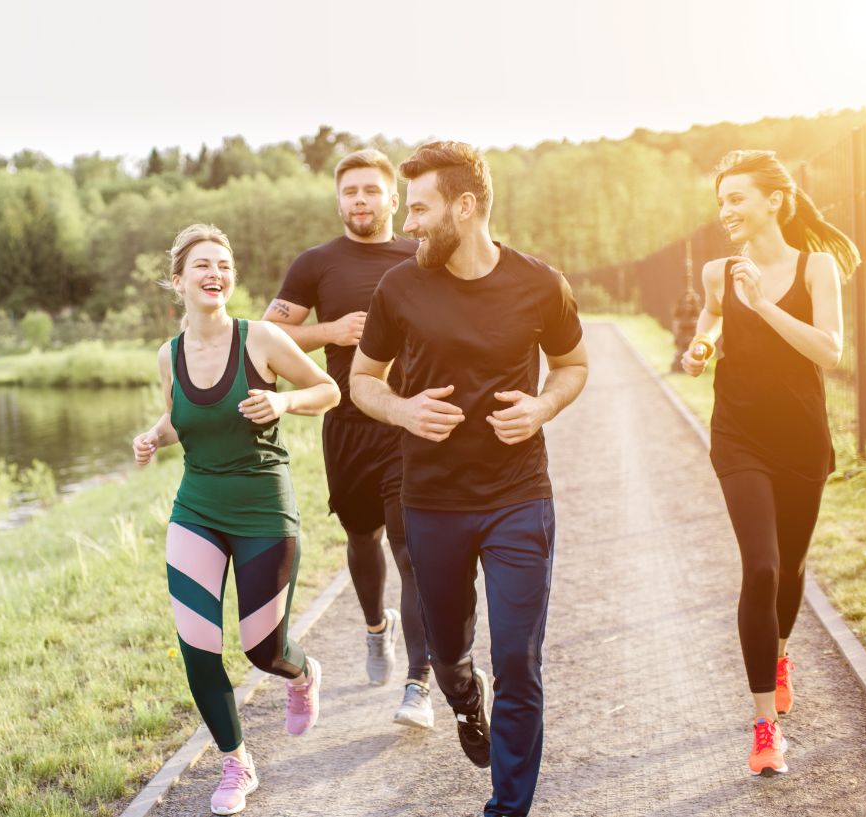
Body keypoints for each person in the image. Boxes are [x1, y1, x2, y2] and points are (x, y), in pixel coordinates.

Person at [350, 141, 588, 817]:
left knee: (518, 657)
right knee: (453, 656)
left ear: (465, 205)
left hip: (519, 496)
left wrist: (543, 405)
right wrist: (402, 408)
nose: (409, 224)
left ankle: (507, 806)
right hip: (433, 502)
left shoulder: (541, 283)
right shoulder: (399, 287)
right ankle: (462, 697)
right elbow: (362, 380)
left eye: (420, 208)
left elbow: (573, 364)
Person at [133, 224, 340, 815]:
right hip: (197, 508)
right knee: (198, 643)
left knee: (261, 648)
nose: (213, 274)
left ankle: (301, 674)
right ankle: (236, 763)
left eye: (222, 264)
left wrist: (282, 401)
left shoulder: (263, 340)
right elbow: (182, 419)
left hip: (263, 511)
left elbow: (328, 390)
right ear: (179, 281)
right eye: (201, 265)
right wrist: (154, 435)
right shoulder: (167, 356)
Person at [681, 149, 858, 777]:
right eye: (721, 199)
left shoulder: (817, 270)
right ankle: (765, 728)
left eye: (737, 198)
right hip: (739, 437)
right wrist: (702, 345)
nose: (725, 210)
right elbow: (712, 317)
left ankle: (780, 653)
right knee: (760, 568)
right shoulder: (717, 271)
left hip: (801, 439)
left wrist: (765, 305)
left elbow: (831, 351)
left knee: (791, 567)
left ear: (773, 201)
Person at [263, 148, 433, 727]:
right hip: (347, 426)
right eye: (350, 192)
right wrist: (330, 330)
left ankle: (420, 684)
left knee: (412, 549)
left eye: (370, 191)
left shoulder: (421, 253)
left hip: (407, 423)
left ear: (392, 199)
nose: (360, 200)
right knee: (363, 539)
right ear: (339, 201)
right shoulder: (316, 263)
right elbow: (268, 335)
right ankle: (374, 629)